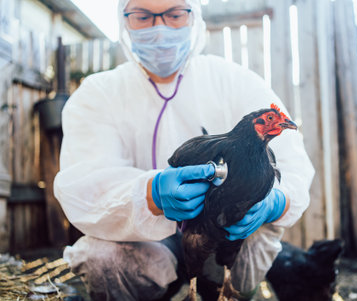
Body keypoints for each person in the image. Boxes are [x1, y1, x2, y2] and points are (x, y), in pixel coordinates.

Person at [54, 0, 315, 300]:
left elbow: (294, 166)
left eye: (175, 14)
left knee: (256, 236)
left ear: (194, 16)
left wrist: (274, 201)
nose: (160, 28)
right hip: (141, 241)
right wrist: (149, 195)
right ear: (123, 19)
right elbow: (83, 183)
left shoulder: (235, 80)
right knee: (100, 256)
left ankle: (231, 290)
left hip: (225, 230)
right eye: (142, 15)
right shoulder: (98, 94)